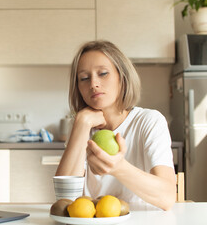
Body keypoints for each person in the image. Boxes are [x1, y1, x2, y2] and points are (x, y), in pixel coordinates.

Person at [55, 40, 176, 211]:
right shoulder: (82, 125)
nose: (93, 84)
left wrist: (118, 168)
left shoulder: (149, 121)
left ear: (122, 77)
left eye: (103, 73)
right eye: (84, 78)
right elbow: (64, 199)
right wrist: (82, 123)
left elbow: (168, 197)